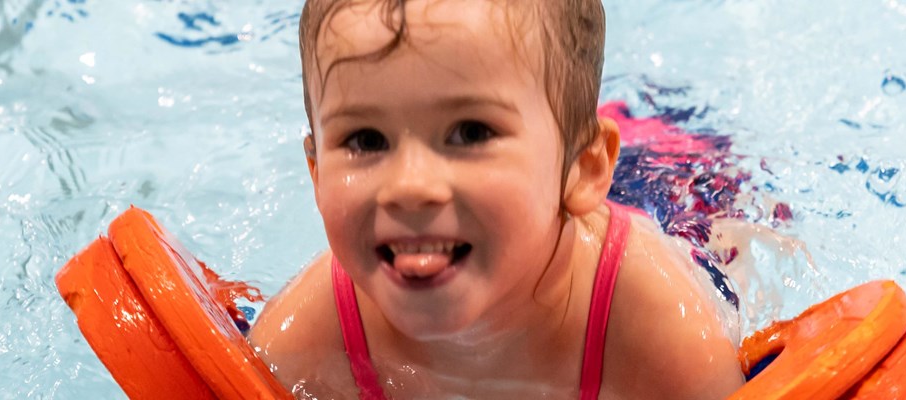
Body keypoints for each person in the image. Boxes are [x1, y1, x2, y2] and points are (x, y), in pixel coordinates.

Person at [248, 0, 747, 398]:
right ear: (315, 174)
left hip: (672, 203)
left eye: (470, 132)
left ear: (585, 167)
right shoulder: (304, 341)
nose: (409, 186)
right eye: (365, 140)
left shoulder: (660, 330)